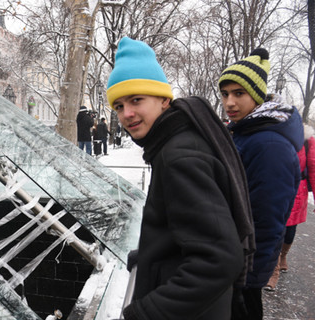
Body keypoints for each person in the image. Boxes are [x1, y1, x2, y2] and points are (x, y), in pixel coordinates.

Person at [107, 37, 254, 320]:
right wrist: (149, 257)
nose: (127, 114)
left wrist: (146, 312)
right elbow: (186, 224)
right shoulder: (176, 140)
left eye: (136, 100)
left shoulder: (178, 157)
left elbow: (219, 259)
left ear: (163, 99)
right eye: (118, 106)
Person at [219, 48, 303, 319]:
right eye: (225, 94)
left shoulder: (269, 144)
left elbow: (267, 217)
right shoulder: (246, 132)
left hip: (244, 270)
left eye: (239, 93)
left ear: (257, 95)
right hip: (233, 260)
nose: (230, 102)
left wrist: (248, 275)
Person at [265, 122, 315, 291]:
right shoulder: (272, 137)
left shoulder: (307, 140)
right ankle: (274, 271)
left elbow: (313, 169)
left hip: (297, 190)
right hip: (275, 187)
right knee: (278, 230)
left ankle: (284, 256)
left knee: (290, 231)